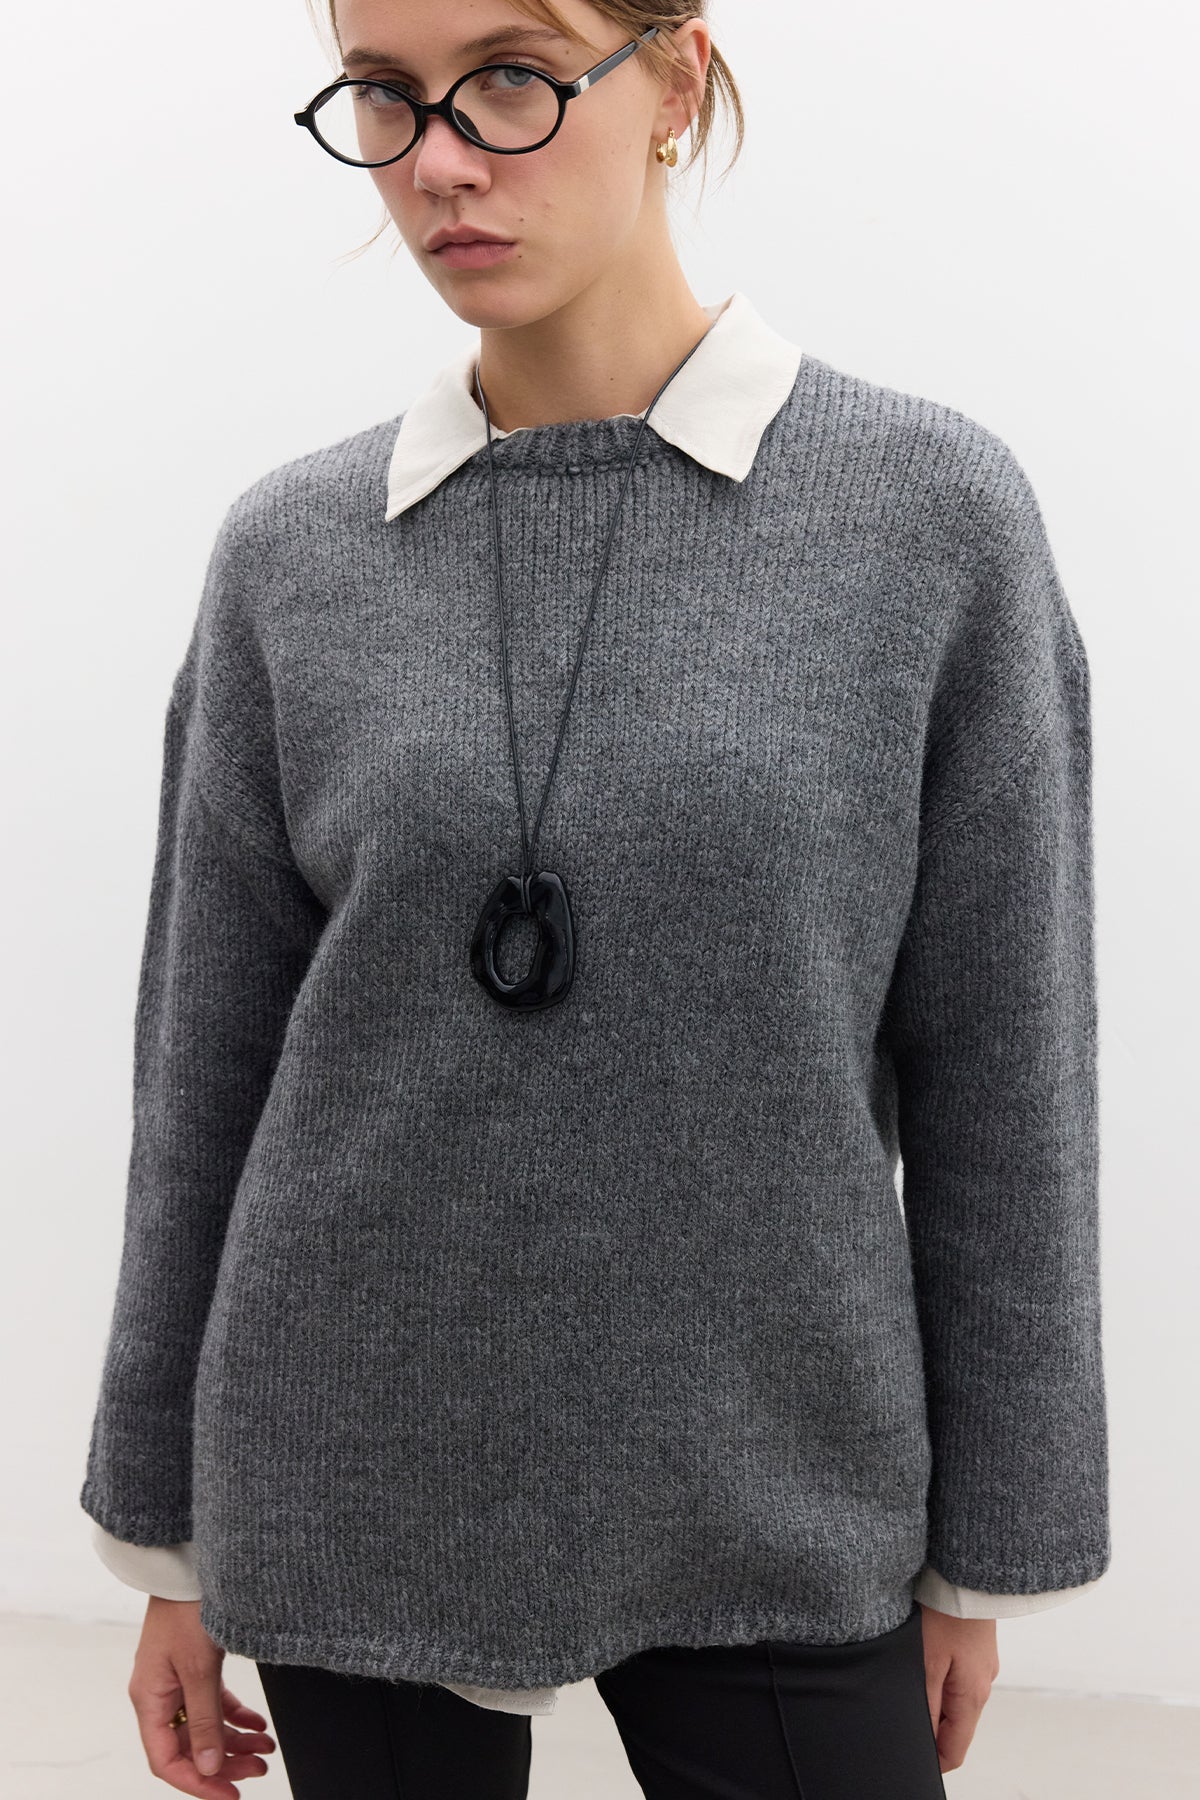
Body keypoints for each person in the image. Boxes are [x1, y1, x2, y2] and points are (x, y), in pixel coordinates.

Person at [79, 3, 1111, 1796]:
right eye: (385, 97)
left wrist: (987, 1551)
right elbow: (205, 1084)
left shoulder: (928, 519)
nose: (441, 161)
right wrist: (168, 1542)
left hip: (779, 1475)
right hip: (347, 1473)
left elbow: (1007, 1074)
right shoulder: (291, 554)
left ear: (676, 79)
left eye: (511, 77)